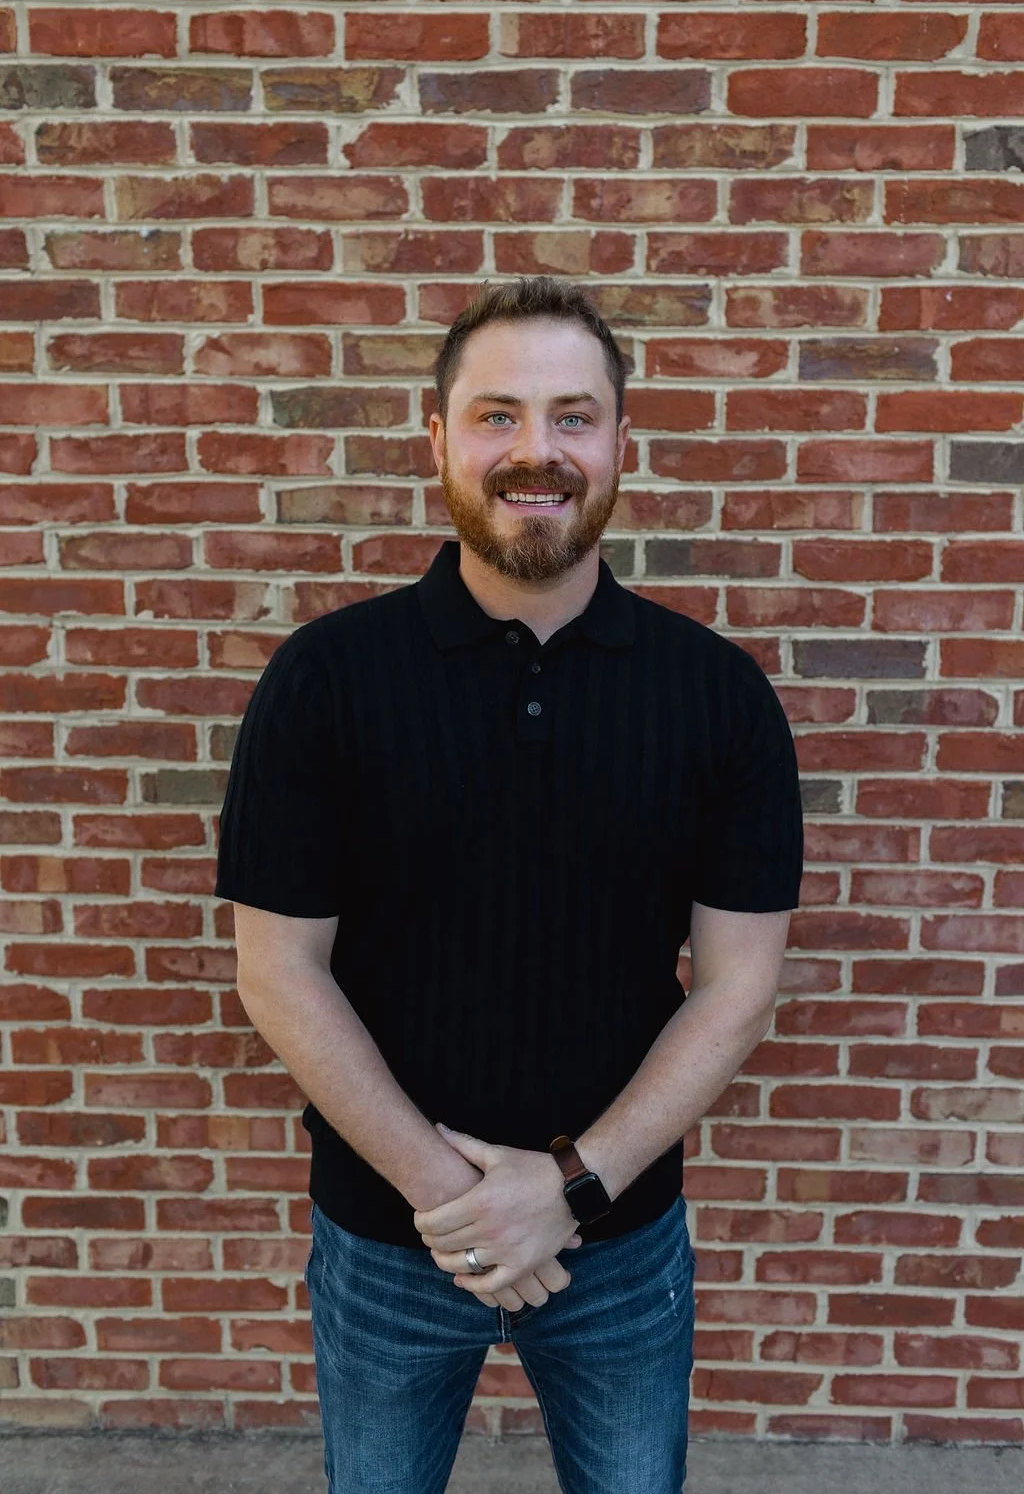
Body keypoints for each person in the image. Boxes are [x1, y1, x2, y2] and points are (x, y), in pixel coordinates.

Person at [213, 275, 804, 1493]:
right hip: (388, 1238)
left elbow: (738, 987)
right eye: (497, 416)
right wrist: (467, 1207)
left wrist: (572, 1190)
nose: (536, 451)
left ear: (621, 442)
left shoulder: (714, 693)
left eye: (572, 417)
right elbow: (278, 971)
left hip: (620, 1244)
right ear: (436, 439)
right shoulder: (327, 679)